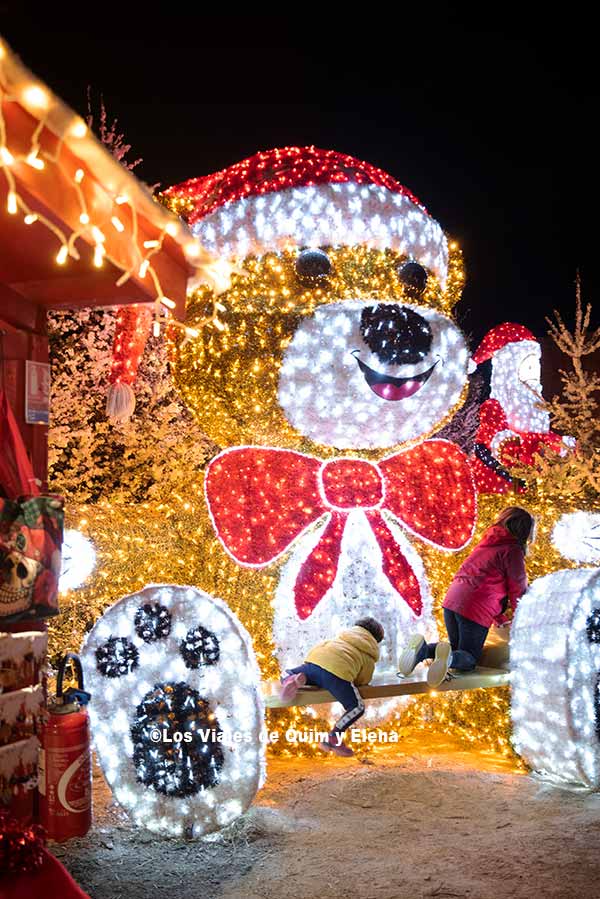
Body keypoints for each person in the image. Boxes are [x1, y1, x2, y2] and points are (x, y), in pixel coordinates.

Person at [398, 507, 535, 687]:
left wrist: (499, 617)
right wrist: (523, 617)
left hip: (452, 601)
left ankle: (422, 651)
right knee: (469, 660)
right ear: (524, 530)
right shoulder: (512, 550)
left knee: (454, 652)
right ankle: (443, 659)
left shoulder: (487, 544)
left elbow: (484, 582)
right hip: (474, 608)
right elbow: (518, 588)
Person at [279, 617, 384, 757]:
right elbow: (364, 679)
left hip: (315, 662)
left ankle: (291, 679)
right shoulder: (368, 652)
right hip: (336, 676)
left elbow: (319, 648)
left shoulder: (341, 637)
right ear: (376, 640)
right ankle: (333, 737)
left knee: (288, 672)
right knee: (357, 707)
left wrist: (312, 664)